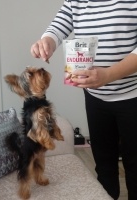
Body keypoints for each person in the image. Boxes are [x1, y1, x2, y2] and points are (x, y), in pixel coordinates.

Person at [30, 1, 137, 200]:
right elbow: (60, 25)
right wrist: (47, 40)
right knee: (104, 165)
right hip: (95, 98)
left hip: (132, 97)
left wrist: (109, 75)